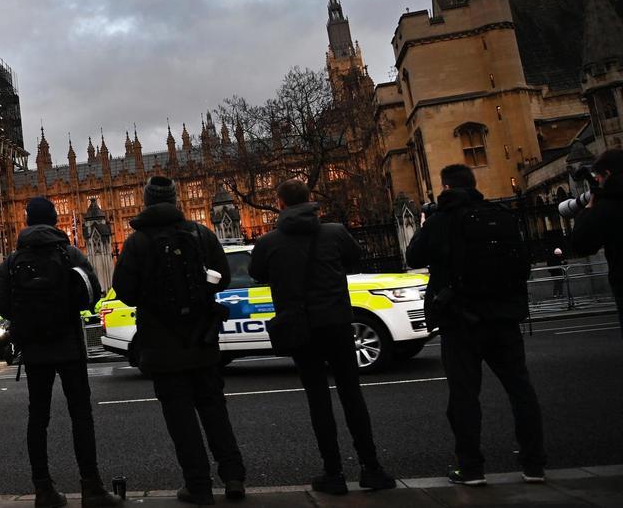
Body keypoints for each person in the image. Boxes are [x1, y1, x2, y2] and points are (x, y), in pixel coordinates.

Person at [248, 180, 395, 495]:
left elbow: (258, 274)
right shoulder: (335, 232)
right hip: (338, 323)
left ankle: (334, 473)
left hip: (300, 328)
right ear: (310, 200)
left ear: (281, 204)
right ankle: (372, 469)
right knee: (351, 394)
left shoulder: (269, 242)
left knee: (318, 400)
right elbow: (355, 260)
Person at [406, 164, 546, 485]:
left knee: (464, 395)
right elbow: (521, 264)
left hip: (461, 321)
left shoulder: (442, 220)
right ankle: (534, 464)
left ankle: (470, 468)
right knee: (520, 389)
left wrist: (426, 225)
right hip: (503, 317)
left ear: (444, 187)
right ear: (473, 184)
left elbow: (413, 257)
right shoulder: (503, 217)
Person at [113, 176, 246, 503]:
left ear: (145, 201)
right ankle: (233, 478)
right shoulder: (200, 234)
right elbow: (223, 278)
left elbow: (125, 292)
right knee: (214, 409)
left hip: (161, 344)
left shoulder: (137, 242)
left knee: (180, 417)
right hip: (201, 340)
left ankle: (198, 485)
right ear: (175, 200)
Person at [0, 197, 120, 508]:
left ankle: (43, 490)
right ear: (54, 220)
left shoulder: (12, 261)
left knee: (38, 418)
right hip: (69, 346)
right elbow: (92, 294)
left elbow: (0, 304)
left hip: (34, 350)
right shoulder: (69, 253)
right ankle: (92, 487)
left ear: (26, 222)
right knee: (81, 416)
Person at [567, 148, 623, 335]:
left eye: (597, 177)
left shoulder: (610, 206)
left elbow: (581, 243)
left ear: (607, 174)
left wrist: (590, 208)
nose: (597, 182)